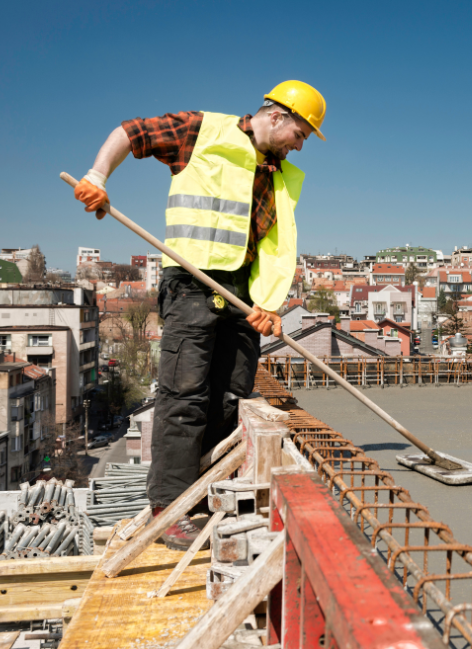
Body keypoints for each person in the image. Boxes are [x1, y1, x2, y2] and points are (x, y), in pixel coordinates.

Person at [73, 81, 326, 549]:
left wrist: (269, 303)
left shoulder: (278, 174)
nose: (301, 144)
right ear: (276, 116)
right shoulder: (200, 131)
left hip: (242, 295)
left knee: (230, 398)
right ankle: (170, 510)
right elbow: (131, 133)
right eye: (302, 132)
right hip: (191, 284)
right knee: (184, 397)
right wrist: (98, 176)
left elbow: (275, 247)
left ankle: (207, 499)